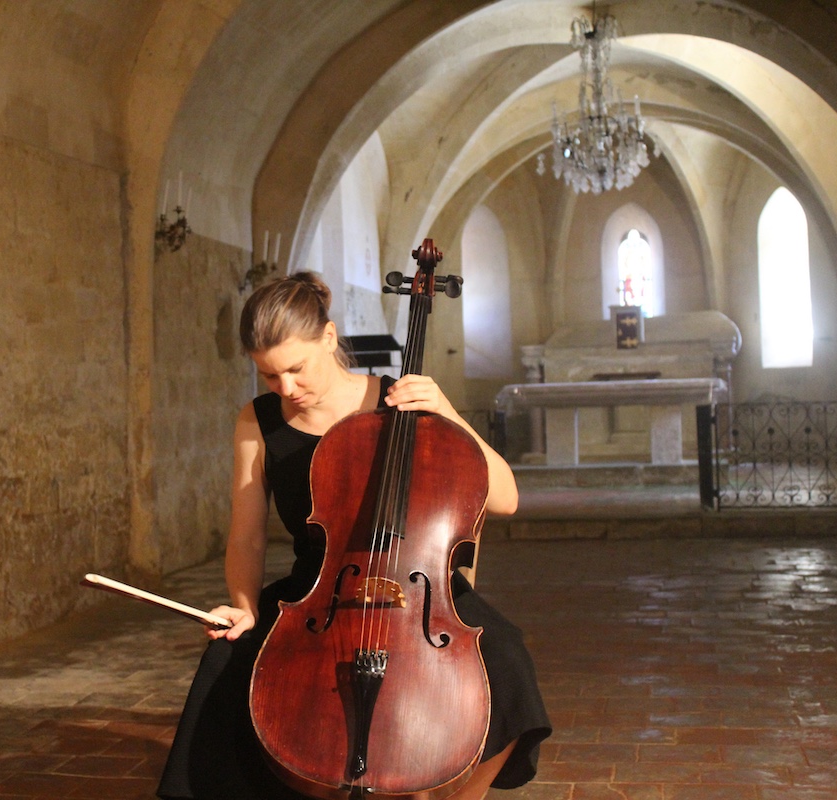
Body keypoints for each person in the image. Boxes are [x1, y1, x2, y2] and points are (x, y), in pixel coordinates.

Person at [158, 272, 550, 800]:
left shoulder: (404, 401)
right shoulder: (257, 421)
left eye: (296, 369)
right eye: (270, 376)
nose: (287, 389)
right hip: (317, 592)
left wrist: (449, 413)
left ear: (328, 337)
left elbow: (505, 499)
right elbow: (247, 537)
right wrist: (244, 607)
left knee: (507, 660)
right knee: (227, 663)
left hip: (420, 593)